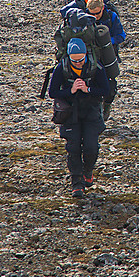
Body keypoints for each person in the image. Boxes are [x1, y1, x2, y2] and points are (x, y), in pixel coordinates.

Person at [48, 38, 111, 198]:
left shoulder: (96, 67)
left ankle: (87, 172)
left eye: (81, 59)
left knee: (91, 147)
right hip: (70, 113)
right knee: (73, 147)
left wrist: (88, 89)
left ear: (86, 55)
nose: (78, 63)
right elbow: (52, 92)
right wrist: (71, 91)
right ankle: (77, 184)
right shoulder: (61, 68)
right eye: (74, 60)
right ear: (68, 56)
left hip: (91, 111)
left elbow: (105, 90)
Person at [85, 0, 125, 119]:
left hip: (108, 55)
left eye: (97, 13)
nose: (95, 17)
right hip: (89, 56)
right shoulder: (83, 17)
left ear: (103, 8)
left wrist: (107, 41)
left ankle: (106, 107)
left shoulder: (112, 17)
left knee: (111, 87)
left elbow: (121, 36)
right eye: (92, 14)